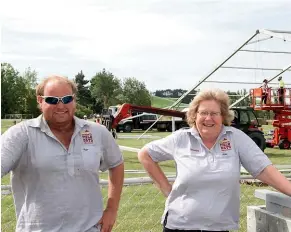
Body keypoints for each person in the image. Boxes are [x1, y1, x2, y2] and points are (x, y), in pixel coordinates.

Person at [138, 88, 291, 232]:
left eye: (214, 113)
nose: (208, 118)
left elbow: (264, 169)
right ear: (194, 115)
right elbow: (145, 154)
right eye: (203, 113)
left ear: (223, 116)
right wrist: (167, 189)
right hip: (179, 225)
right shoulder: (181, 139)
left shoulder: (236, 138)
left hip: (218, 228)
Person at [1, 75, 124, 232]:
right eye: (52, 100)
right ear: (40, 101)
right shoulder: (21, 134)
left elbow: (116, 164)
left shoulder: (97, 132)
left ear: (74, 100)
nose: (61, 106)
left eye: (66, 99)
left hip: (89, 228)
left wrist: (112, 209)